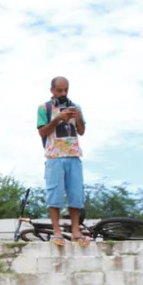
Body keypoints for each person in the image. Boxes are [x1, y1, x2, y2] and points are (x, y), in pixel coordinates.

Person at [36, 76, 88, 247]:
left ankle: (76, 231)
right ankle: (57, 231)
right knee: (55, 195)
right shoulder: (44, 108)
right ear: (52, 90)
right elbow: (42, 132)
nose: (63, 93)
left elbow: (81, 131)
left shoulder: (76, 107)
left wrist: (78, 117)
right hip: (54, 156)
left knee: (76, 195)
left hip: (73, 155)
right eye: (59, 90)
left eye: (65, 90)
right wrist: (58, 118)